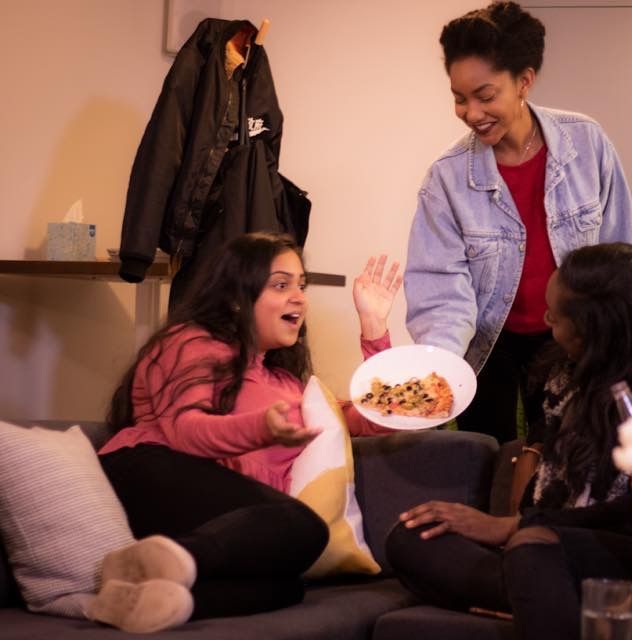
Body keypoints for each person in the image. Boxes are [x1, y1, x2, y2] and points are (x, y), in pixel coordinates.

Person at [386, 243, 632, 637]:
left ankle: (544, 595)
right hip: (547, 541)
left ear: (594, 327)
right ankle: (571, 604)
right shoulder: (564, 369)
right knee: (410, 536)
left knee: (533, 552)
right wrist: (516, 526)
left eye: (555, 315)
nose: (545, 319)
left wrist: (513, 527)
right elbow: (540, 469)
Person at [89, 232, 403, 632]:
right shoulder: (192, 340)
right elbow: (185, 430)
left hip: (227, 518)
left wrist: (374, 327)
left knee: (286, 587)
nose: (299, 298)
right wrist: (262, 428)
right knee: (303, 526)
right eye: (281, 285)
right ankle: (162, 561)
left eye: (301, 286)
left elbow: (375, 418)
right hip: (148, 472)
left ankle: (142, 597)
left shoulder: (288, 385)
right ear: (237, 297)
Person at [404, 1, 632, 443]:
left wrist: (621, 342)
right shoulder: (446, 179)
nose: (471, 113)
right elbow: (442, 292)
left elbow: (621, 254)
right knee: (489, 453)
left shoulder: (586, 143)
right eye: (459, 98)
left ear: (524, 81)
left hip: (573, 338)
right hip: (489, 344)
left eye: (485, 96)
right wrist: (439, 367)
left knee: (564, 452)